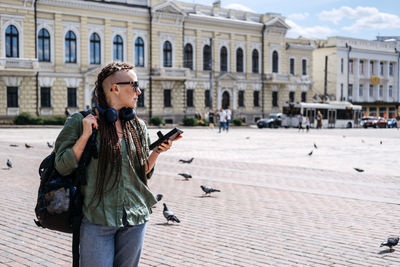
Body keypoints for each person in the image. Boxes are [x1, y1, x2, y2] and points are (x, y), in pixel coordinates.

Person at [54, 62, 180, 267]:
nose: (139, 91)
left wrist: (156, 152)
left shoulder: (137, 126)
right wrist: (85, 136)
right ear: (115, 88)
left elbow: (142, 174)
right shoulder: (80, 122)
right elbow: (62, 166)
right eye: (134, 85)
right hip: (97, 219)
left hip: (135, 219)